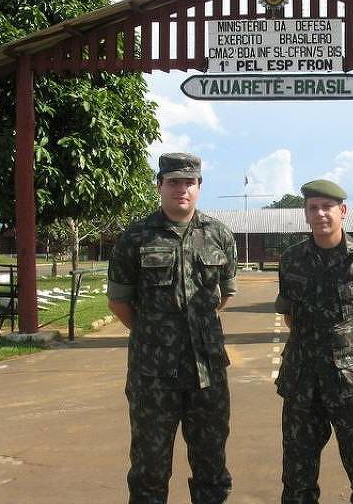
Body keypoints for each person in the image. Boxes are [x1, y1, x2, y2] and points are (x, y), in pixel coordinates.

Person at [107, 153, 237, 504]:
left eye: (189, 182)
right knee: (149, 468)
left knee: (212, 466)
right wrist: (154, 333)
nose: (182, 189)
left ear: (199, 186)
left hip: (207, 372)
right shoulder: (135, 237)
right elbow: (119, 302)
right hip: (153, 376)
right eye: (173, 182)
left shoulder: (219, 235)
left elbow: (222, 295)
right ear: (160, 185)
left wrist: (193, 328)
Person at [275, 179, 353, 504]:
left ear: (342, 211)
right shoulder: (291, 259)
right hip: (302, 383)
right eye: (313, 208)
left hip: (352, 384)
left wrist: (351, 349)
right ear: (306, 214)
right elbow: (289, 314)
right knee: (297, 476)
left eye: (327, 207)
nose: (320, 214)